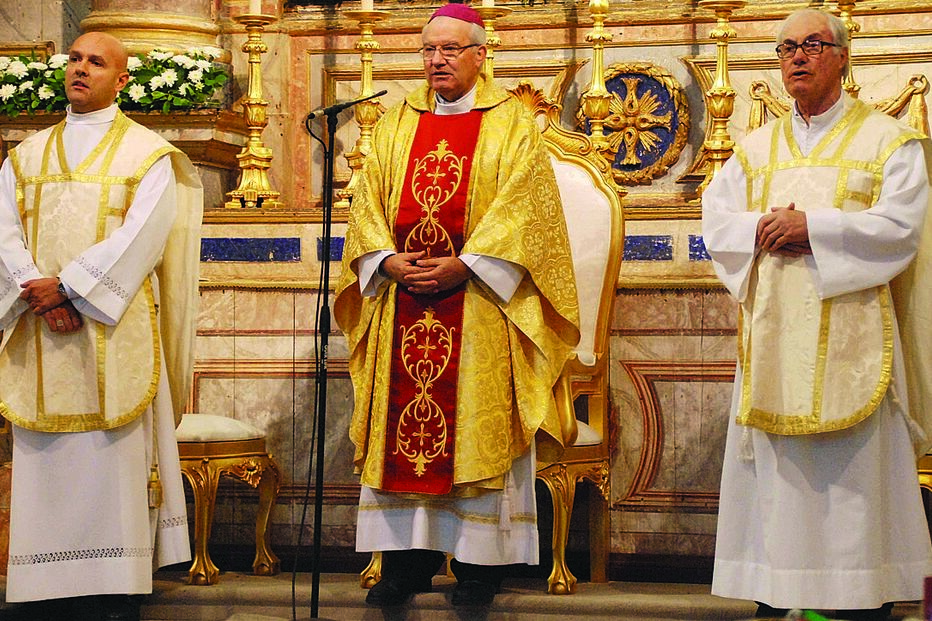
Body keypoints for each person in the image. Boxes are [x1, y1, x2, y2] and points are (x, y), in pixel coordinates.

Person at [334, 2, 579, 609]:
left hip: (478, 305)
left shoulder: (515, 124)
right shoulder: (395, 123)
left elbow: (527, 210)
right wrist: (384, 261)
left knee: (475, 429)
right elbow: (366, 199)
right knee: (403, 427)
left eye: (449, 49)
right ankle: (405, 564)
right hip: (402, 302)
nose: (436, 60)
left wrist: (466, 264)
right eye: (428, 50)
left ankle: (479, 568)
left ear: (480, 54)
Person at [702, 8, 932, 621]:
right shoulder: (752, 149)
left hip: (853, 333)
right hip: (775, 333)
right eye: (786, 48)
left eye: (811, 45)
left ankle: (856, 595)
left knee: (851, 475)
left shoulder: (890, 142)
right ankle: (779, 586)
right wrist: (765, 226)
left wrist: (816, 228)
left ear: (842, 56)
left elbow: (902, 227)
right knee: (780, 478)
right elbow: (718, 221)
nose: (797, 57)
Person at [0, 32, 202, 620]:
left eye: (97, 61)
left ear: (123, 81)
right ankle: (41, 589)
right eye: (75, 59)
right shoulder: (24, 156)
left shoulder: (149, 156)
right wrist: (37, 291)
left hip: (111, 332)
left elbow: (144, 237)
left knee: (109, 460)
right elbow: (3, 235)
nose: (81, 68)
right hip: (41, 328)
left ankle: (116, 586)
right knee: (47, 462)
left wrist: (68, 287)